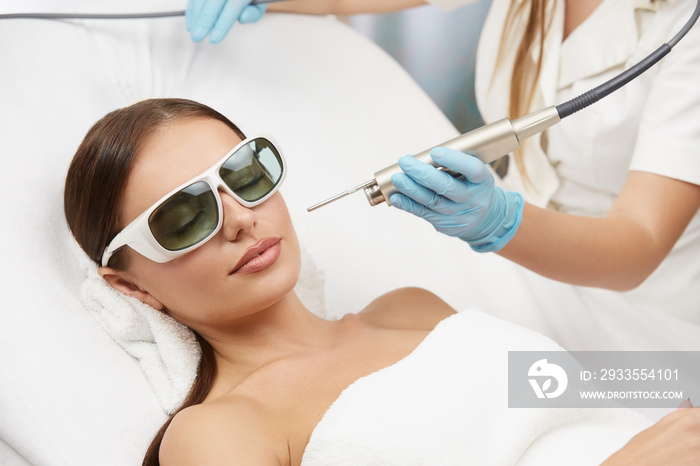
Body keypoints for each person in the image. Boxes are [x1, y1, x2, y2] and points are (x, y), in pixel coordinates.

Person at [64, 98, 700, 466]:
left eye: (246, 174)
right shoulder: (224, 431)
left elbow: (590, 386)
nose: (239, 218)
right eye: (185, 215)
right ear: (133, 287)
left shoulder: (413, 310)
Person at [186, 0, 700, 352]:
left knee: (531, 401)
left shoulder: (686, 31)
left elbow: (639, 243)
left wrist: (498, 222)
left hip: (650, 333)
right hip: (522, 274)